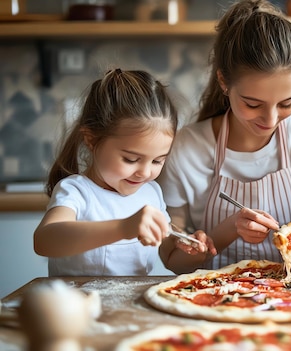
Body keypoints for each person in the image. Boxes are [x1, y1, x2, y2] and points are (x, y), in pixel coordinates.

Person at [158, 0, 291, 274]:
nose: (270, 120)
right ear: (224, 82)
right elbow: (172, 259)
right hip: (218, 301)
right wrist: (227, 230)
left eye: (286, 103)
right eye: (253, 104)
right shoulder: (187, 149)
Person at [33, 69, 210, 277]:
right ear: (91, 140)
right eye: (131, 159)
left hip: (130, 308)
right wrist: (123, 228)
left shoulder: (151, 193)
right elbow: (44, 241)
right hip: (77, 307)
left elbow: (172, 259)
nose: (144, 173)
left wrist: (192, 251)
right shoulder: (76, 191)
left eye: (157, 160)